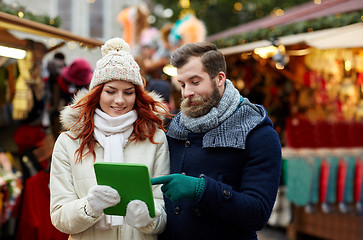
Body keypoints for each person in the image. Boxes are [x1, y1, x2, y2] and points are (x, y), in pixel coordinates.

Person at [151, 42, 282, 240]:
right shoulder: (173, 127)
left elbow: (258, 214)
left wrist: (201, 189)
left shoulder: (257, 132)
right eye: (182, 84)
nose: (186, 93)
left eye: (195, 82)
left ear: (219, 79)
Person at [50, 37, 171, 240]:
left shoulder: (154, 138)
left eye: (128, 92)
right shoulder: (69, 141)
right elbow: (59, 215)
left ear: (137, 95)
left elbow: (164, 212)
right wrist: (89, 207)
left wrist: (148, 218)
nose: (119, 100)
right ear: (97, 93)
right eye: (110, 91)